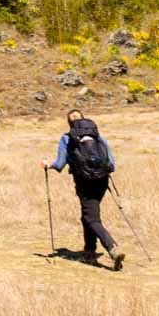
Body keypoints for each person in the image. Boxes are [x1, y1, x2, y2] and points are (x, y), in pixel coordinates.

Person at [44, 109, 123, 269]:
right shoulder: (98, 136)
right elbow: (112, 165)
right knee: (87, 216)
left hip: (84, 182)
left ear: (69, 123)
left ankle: (112, 248)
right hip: (102, 181)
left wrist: (48, 164)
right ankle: (89, 252)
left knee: (91, 218)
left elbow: (59, 165)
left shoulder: (67, 138)